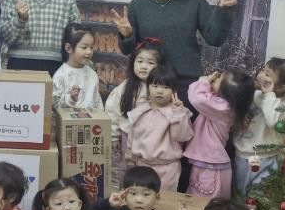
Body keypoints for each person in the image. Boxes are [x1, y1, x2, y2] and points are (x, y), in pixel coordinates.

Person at [112, 0, 240, 107]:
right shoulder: (138, 5)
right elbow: (128, 50)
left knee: (183, 123)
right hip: (150, 85)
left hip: (186, 85)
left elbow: (215, 39)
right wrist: (127, 35)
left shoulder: (195, 1)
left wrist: (223, 11)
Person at [233, 58, 285, 194]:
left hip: (268, 158)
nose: (261, 75)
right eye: (263, 70)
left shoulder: (284, 105)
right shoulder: (256, 94)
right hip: (243, 155)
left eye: (267, 74)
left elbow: (272, 120)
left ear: (281, 87)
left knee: (259, 197)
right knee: (239, 194)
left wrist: (269, 94)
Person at [184, 69, 254, 199]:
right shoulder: (227, 106)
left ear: (225, 92)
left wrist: (204, 81)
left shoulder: (222, 108)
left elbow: (196, 98)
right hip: (209, 162)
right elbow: (209, 98)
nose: (214, 79)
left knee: (200, 201)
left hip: (210, 166)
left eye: (218, 79)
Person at [105, 38, 163, 187]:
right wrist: (113, 135)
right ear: (133, 63)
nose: (144, 66)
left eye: (150, 63)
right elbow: (113, 111)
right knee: (127, 169)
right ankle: (125, 195)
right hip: (128, 137)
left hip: (152, 140)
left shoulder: (160, 89)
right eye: (140, 61)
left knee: (147, 172)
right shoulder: (126, 87)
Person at [125, 66, 194, 191]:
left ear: (174, 90)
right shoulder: (140, 110)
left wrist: (177, 113)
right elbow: (131, 139)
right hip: (141, 166)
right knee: (141, 198)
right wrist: (130, 163)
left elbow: (181, 137)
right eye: (155, 86)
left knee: (164, 200)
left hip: (167, 168)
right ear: (148, 87)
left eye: (166, 87)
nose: (159, 91)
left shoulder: (180, 112)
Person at [52, 22, 103, 110]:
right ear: (69, 48)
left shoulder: (92, 74)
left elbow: (97, 102)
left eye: (91, 47)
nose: (89, 52)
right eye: (84, 47)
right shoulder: (60, 76)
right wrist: (70, 98)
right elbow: (54, 106)